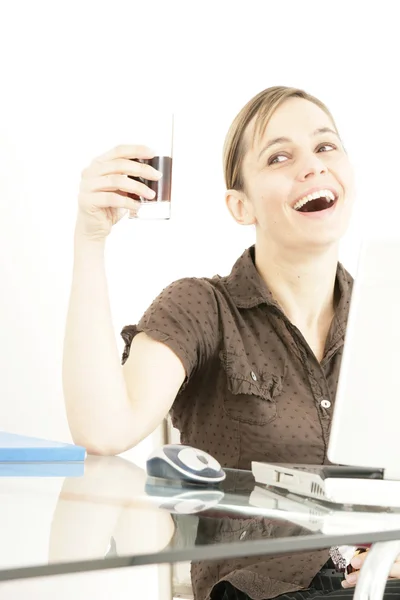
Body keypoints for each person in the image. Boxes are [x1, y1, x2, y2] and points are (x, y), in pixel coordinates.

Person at [62, 86, 400, 598]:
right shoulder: (201, 308)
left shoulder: (386, 316)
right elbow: (105, 428)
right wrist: (89, 240)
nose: (312, 166)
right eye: (279, 156)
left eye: (326, 147)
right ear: (240, 206)